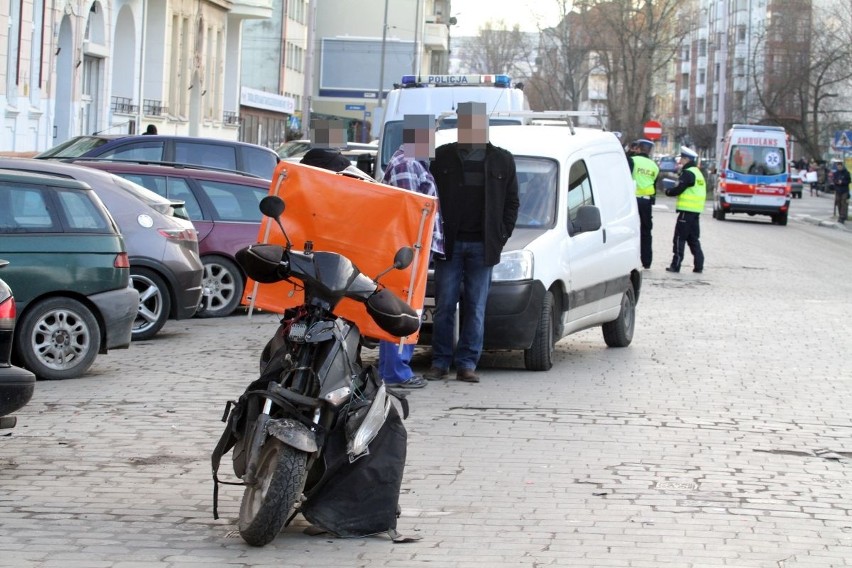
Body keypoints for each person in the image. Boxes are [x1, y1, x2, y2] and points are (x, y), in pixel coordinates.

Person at [425, 101, 519, 384]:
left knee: (476, 307)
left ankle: (467, 363)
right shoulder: (441, 157)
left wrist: (500, 236)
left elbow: (512, 203)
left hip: (483, 246)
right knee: (444, 306)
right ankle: (440, 362)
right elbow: (427, 196)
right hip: (449, 247)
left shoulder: (502, 159)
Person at [376, 114, 445, 389]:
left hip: (408, 250)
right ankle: (395, 372)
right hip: (409, 250)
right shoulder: (406, 165)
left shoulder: (409, 162)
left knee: (402, 308)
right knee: (403, 310)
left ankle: (392, 370)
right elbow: (412, 213)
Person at [665, 146, 706, 274]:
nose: (680, 161)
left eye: (682, 158)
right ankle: (699, 265)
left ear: (687, 159)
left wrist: (669, 191)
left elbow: (680, 188)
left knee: (679, 238)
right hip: (695, 211)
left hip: (686, 211)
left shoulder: (688, 172)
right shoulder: (697, 172)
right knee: (693, 239)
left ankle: (675, 265)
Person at [627, 139, 660, 269]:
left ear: (638, 149)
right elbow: (654, 185)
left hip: (632, 200)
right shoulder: (654, 166)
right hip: (646, 201)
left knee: (629, 229)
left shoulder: (632, 161)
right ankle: (647, 261)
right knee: (646, 231)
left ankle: (629, 259)